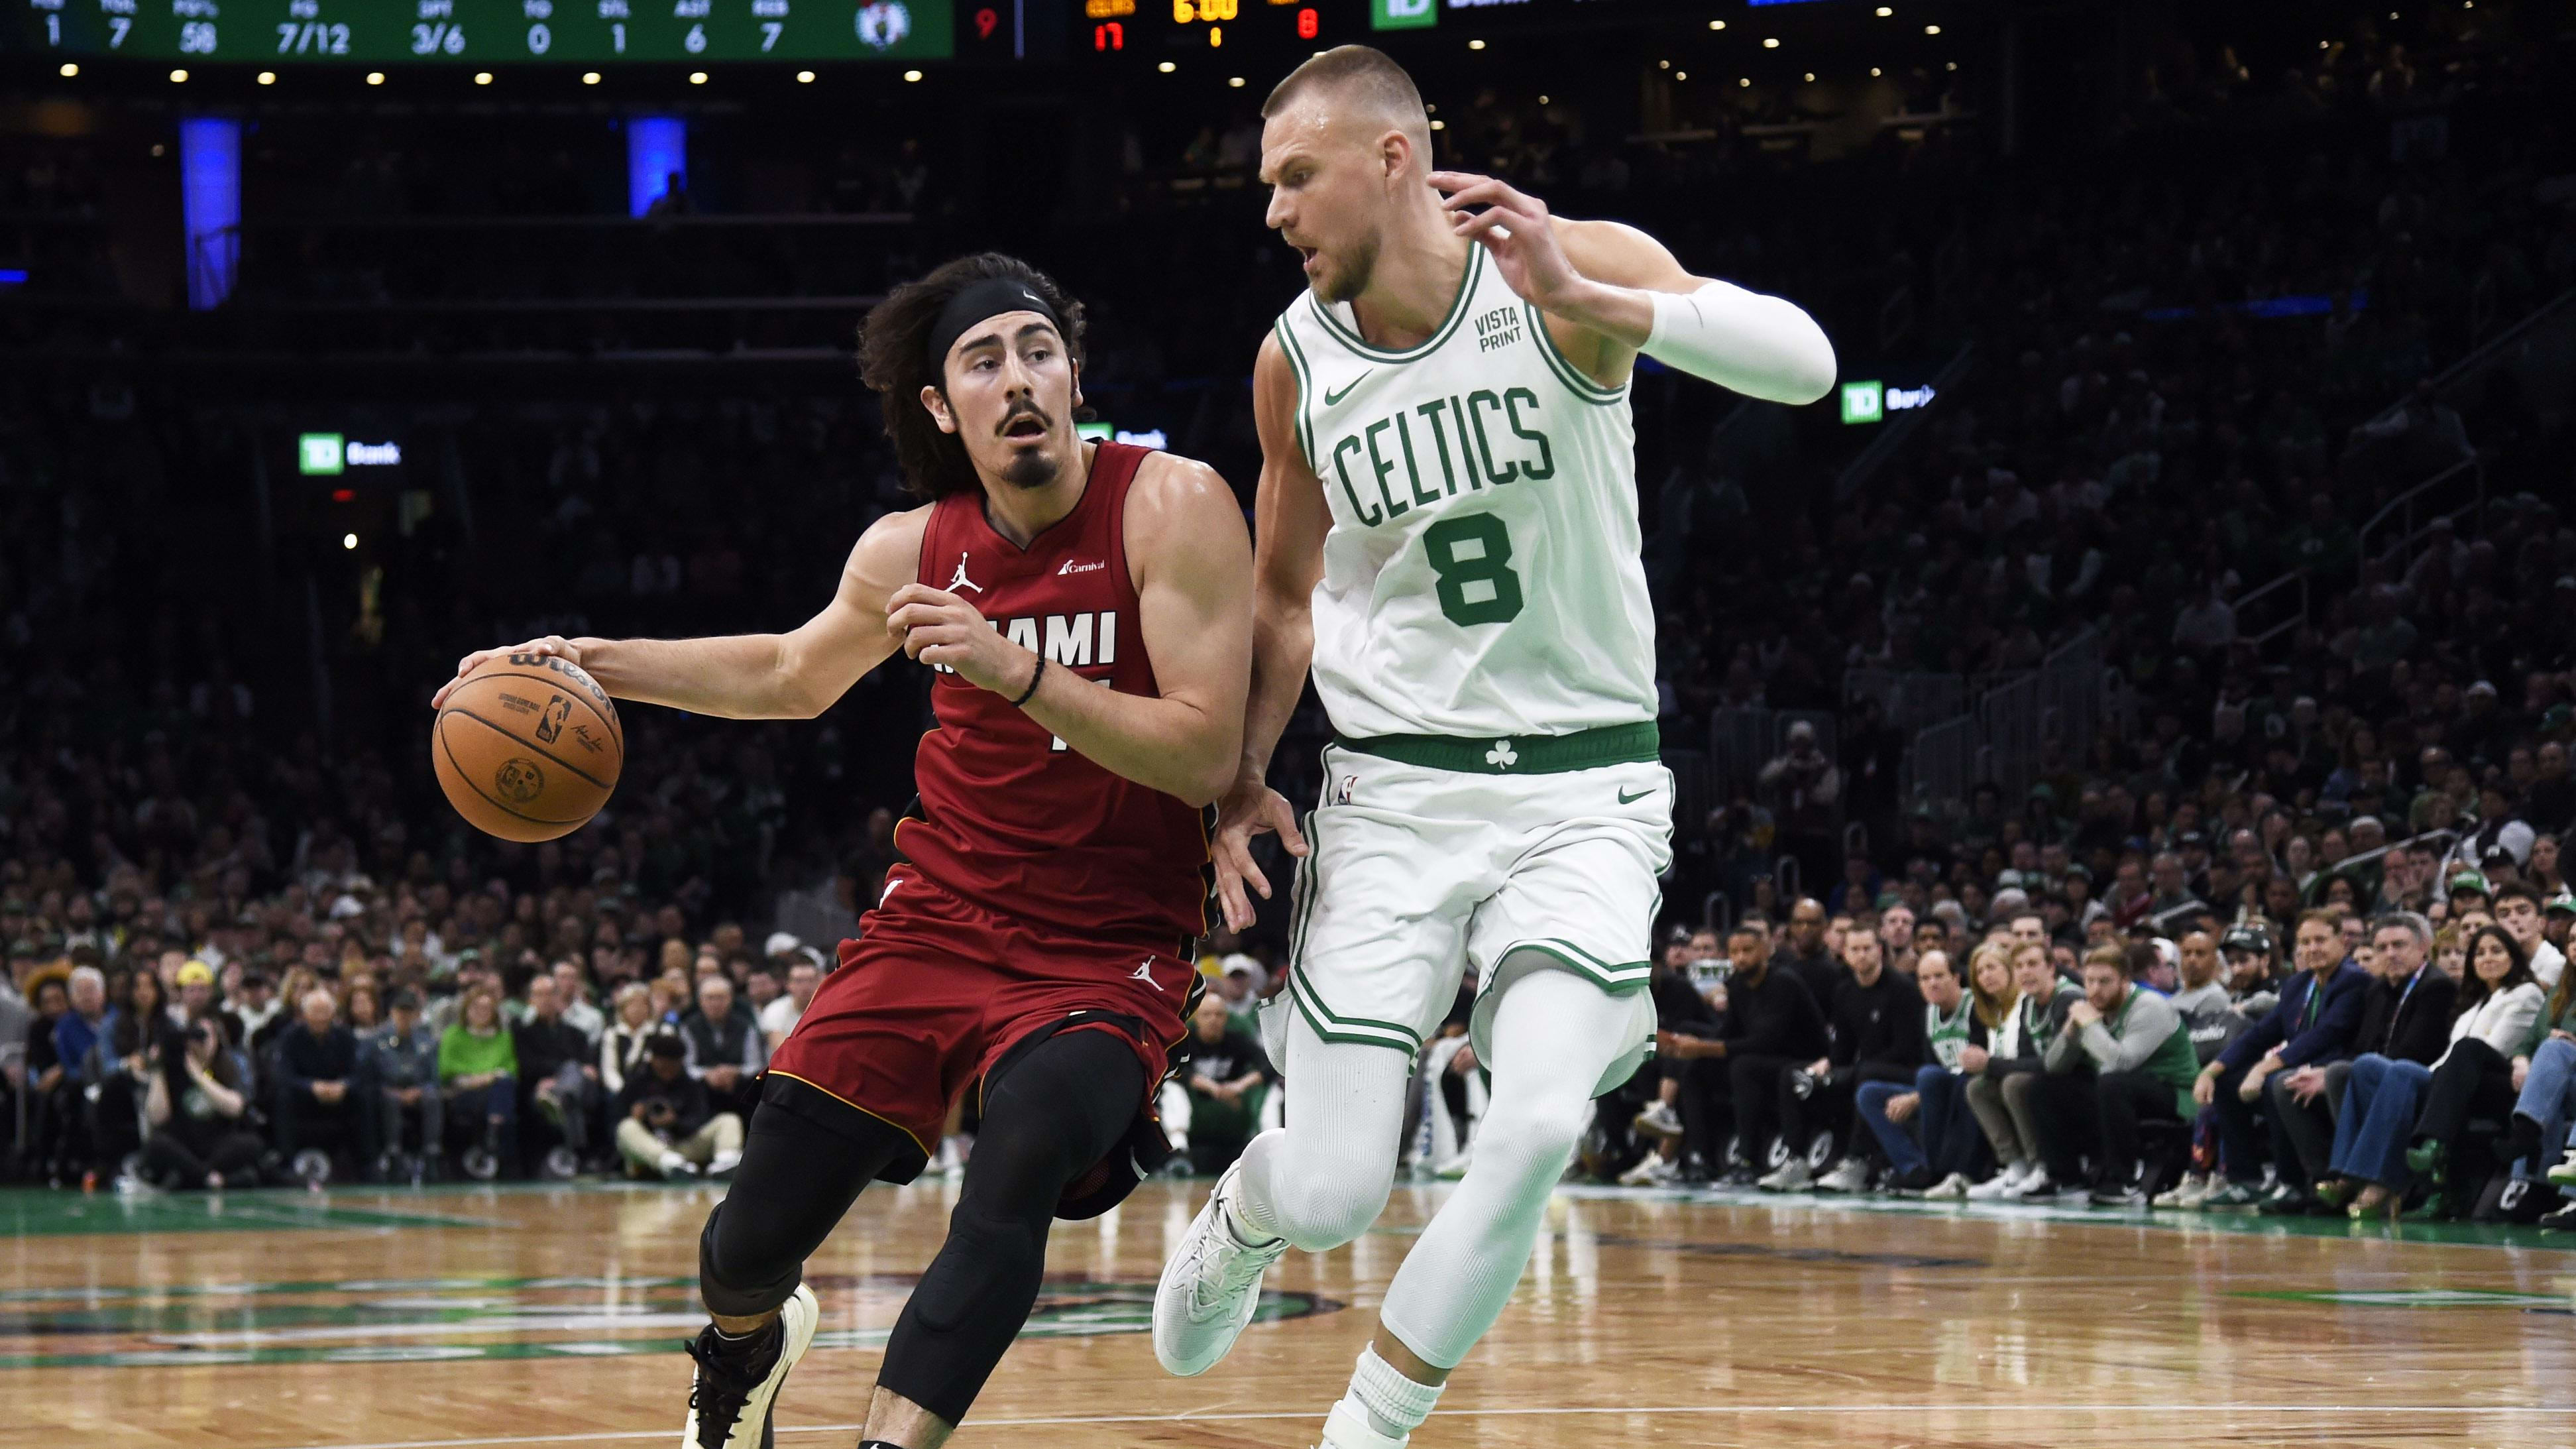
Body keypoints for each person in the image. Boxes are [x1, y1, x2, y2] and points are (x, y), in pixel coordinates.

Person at [435, 249, 1253, 1449]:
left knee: (1019, 1156)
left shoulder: (1169, 503)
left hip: (1105, 951)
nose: (1018, 378)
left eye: (1039, 351)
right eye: (984, 361)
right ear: (941, 406)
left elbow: (1198, 757)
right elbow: (785, 672)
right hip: (934, 927)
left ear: (1075, 374)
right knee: (746, 1244)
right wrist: (587, 660)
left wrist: (1013, 666)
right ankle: (746, 1349)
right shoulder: (909, 547)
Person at [1153, 43, 1833, 1449]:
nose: (1271, 211)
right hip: (1395, 793)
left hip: (1583, 785)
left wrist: (1599, 300)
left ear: (1389, 157)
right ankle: (1244, 1210)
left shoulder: (1558, 270)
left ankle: (1370, 1426)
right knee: (1336, 1186)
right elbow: (1282, 598)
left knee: (1528, 1125)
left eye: (1294, 177)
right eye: (1264, 185)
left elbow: (1808, 366)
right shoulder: (1293, 361)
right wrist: (1235, 783)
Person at [2326, 924, 2543, 1219]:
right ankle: (2346, 1172)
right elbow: (2448, 1057)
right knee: (2365, 1066)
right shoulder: (2473, 1003)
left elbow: (2491, 1048)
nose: (2487, 958)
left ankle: (2380, 1181)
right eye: (2479, 953)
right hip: (2449, 1076)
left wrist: (2426, 1075)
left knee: (2403, 1071)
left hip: (2490, 1079)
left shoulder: (2525, 993)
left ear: (2513, 958)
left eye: (2496, 951)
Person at [2188, 911, 2370, 1211]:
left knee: (2277, 1082)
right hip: (2298, 1069)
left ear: (2342, 941)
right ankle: (2243, 1180)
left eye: (2321, 940)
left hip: (2334, 1075)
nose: (2313, 948)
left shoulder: (2355, 981)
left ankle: (2293, 1183)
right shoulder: (2299, 984)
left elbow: (2325, 1035)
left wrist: (2263, 1068)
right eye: (2306, 942)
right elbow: (2260, 1034)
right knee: (2227, 1082)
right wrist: (2211, 1070)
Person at [1758, 926, 1922, 1193]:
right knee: (1793, 1075)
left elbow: (1906, 1050)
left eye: (1867, 949)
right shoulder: (1845, 991)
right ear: (1845, 954)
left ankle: (1856, 1163)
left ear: (1880, 951)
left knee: (1866, 1073)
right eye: (1855, 950)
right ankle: (1796, 1161)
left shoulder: (1902, 989)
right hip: (1861, 1070)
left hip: (1901, 1072)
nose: (1862, 956)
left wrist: (1850, 1071)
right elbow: (1843, 1049)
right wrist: (1827, 1065)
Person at [2036, 945, 2199, 1205]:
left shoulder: (2150, 1006)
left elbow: (2120, 1062)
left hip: (2177, 1095)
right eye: (2089, 981)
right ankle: (2066, 1177)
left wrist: (2089, 1025)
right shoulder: (2091, 1007)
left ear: (2125, 981)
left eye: (2105, 982)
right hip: (2122, 1091)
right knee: (2047, 1084)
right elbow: (2053, 1066)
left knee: (2113, 1083)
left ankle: (2122, 1180)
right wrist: (2071, 1029)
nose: (2095, 990)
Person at [1854, 950, 1989, 1195]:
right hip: (1938, 1089)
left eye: (1939, 976)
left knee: (1929, 1077)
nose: (1932, 983)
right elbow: (1932, 1063)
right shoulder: (1929, 1013)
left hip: (1967, 1088)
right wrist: (1917, 1096)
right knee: (1869, 1094)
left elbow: (1976, 1065)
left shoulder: (1975, 1006)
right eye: (1925, 979)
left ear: (1956, 978)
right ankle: (1915, 1167)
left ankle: (1940, 1168)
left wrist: (1916, 1097)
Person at [1966, 942, 2082, 1200]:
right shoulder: (2030, 1004)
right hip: (2052, 1083)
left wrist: (1990, 1063)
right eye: (2019, 966)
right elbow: (2029, 1060)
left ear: (2051, 968)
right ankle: (2017, 1166)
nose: (2025, 972)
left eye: (2032, 964)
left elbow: (2053, 1064)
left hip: (2082, 1084)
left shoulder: (2069, 999)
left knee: (2016, 1084)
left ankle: (2043, 1166)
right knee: (1979, 1087)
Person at [141, 1015, 264, 1190]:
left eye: (205, 1037)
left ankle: (193, 1178)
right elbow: (157, 1117)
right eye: (195, 1038)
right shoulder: (172, 1070)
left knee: (251, 1143)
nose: (200, 1044)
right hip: (184, 1145)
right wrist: (158, 1068)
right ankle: (212, 1179)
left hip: (218, 1144)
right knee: (157, 1145)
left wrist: (198, 1075)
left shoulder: (226, 1066)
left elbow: (236, 1108)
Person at [1164, 993, 1277, 1178]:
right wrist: (1212, 1088)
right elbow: (1172, 1067)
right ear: (1197, 1018)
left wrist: (1240, 1086)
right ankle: (1180, 1153)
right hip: (1196, 1104)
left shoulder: (1237, 1040)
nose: (1213, 1020)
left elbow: (1270, 1064)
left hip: (1236, 1103)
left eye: (1218, 1015)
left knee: (1272, 1090)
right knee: (1171, 1088)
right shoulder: (1186, 1041)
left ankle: (1270, 1153)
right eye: (1207, 1015)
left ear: (1226, 1018)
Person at [613, 1033, 744, 1180]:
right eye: (663, 1066)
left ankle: (726, 1163)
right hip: (649, 1148)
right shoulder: (636, 1084)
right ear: (653, 1060)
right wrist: (637, 1117)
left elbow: (699, 1119)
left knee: (729, 1119)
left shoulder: (691, 1086)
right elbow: (614, 1122)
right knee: (626, 1127)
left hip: (683, 1146)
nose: (667, 1071)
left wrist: (675, 1123)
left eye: (672, 1066)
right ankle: (670, 1164)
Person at [275, 986, 374, 1175]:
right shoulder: (290, 1038)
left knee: (365, 1096)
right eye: (315, 1013)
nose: (320, 1018)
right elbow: (283, 1075)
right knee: (283, 1097)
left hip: (339, 1096)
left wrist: (344, 1085)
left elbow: (360, 1073)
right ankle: (287, 1162)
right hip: (304, 1097)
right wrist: (311, 1087)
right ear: (305, 1015)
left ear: (333, 1014)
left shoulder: (346, 1037)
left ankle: (367, 1163)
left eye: (325, 1012)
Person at [438, 982, 520, 1177]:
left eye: (487, 1008)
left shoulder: (503, 1037)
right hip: (462, 1090)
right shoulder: (453, 1035)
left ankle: (493, 1132)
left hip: (494, 1089)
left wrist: (486, 1078)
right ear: (467, 1010)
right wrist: (485, 1077)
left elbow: (512, 1069)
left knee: (504, 1087)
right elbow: (446, 1069)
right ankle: (495, 1136)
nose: (482, 1012)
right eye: (477, 1007)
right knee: (500, 1094)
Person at [369, 988, 443, 1175]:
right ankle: (393, 1154)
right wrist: (388, 1090)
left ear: (417, 1014)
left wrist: (419, 1090)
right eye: (400, 1011)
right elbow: (371, 1075)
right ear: (391, 1012)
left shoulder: (427, 1042)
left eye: (409, 1011)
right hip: (388, 1091)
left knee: (433, 1097)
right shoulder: (377, 1040)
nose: (404, 1016)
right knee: (389, 1099)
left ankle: (431, 1153)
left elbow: (435, 1078)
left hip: (419, 1091)